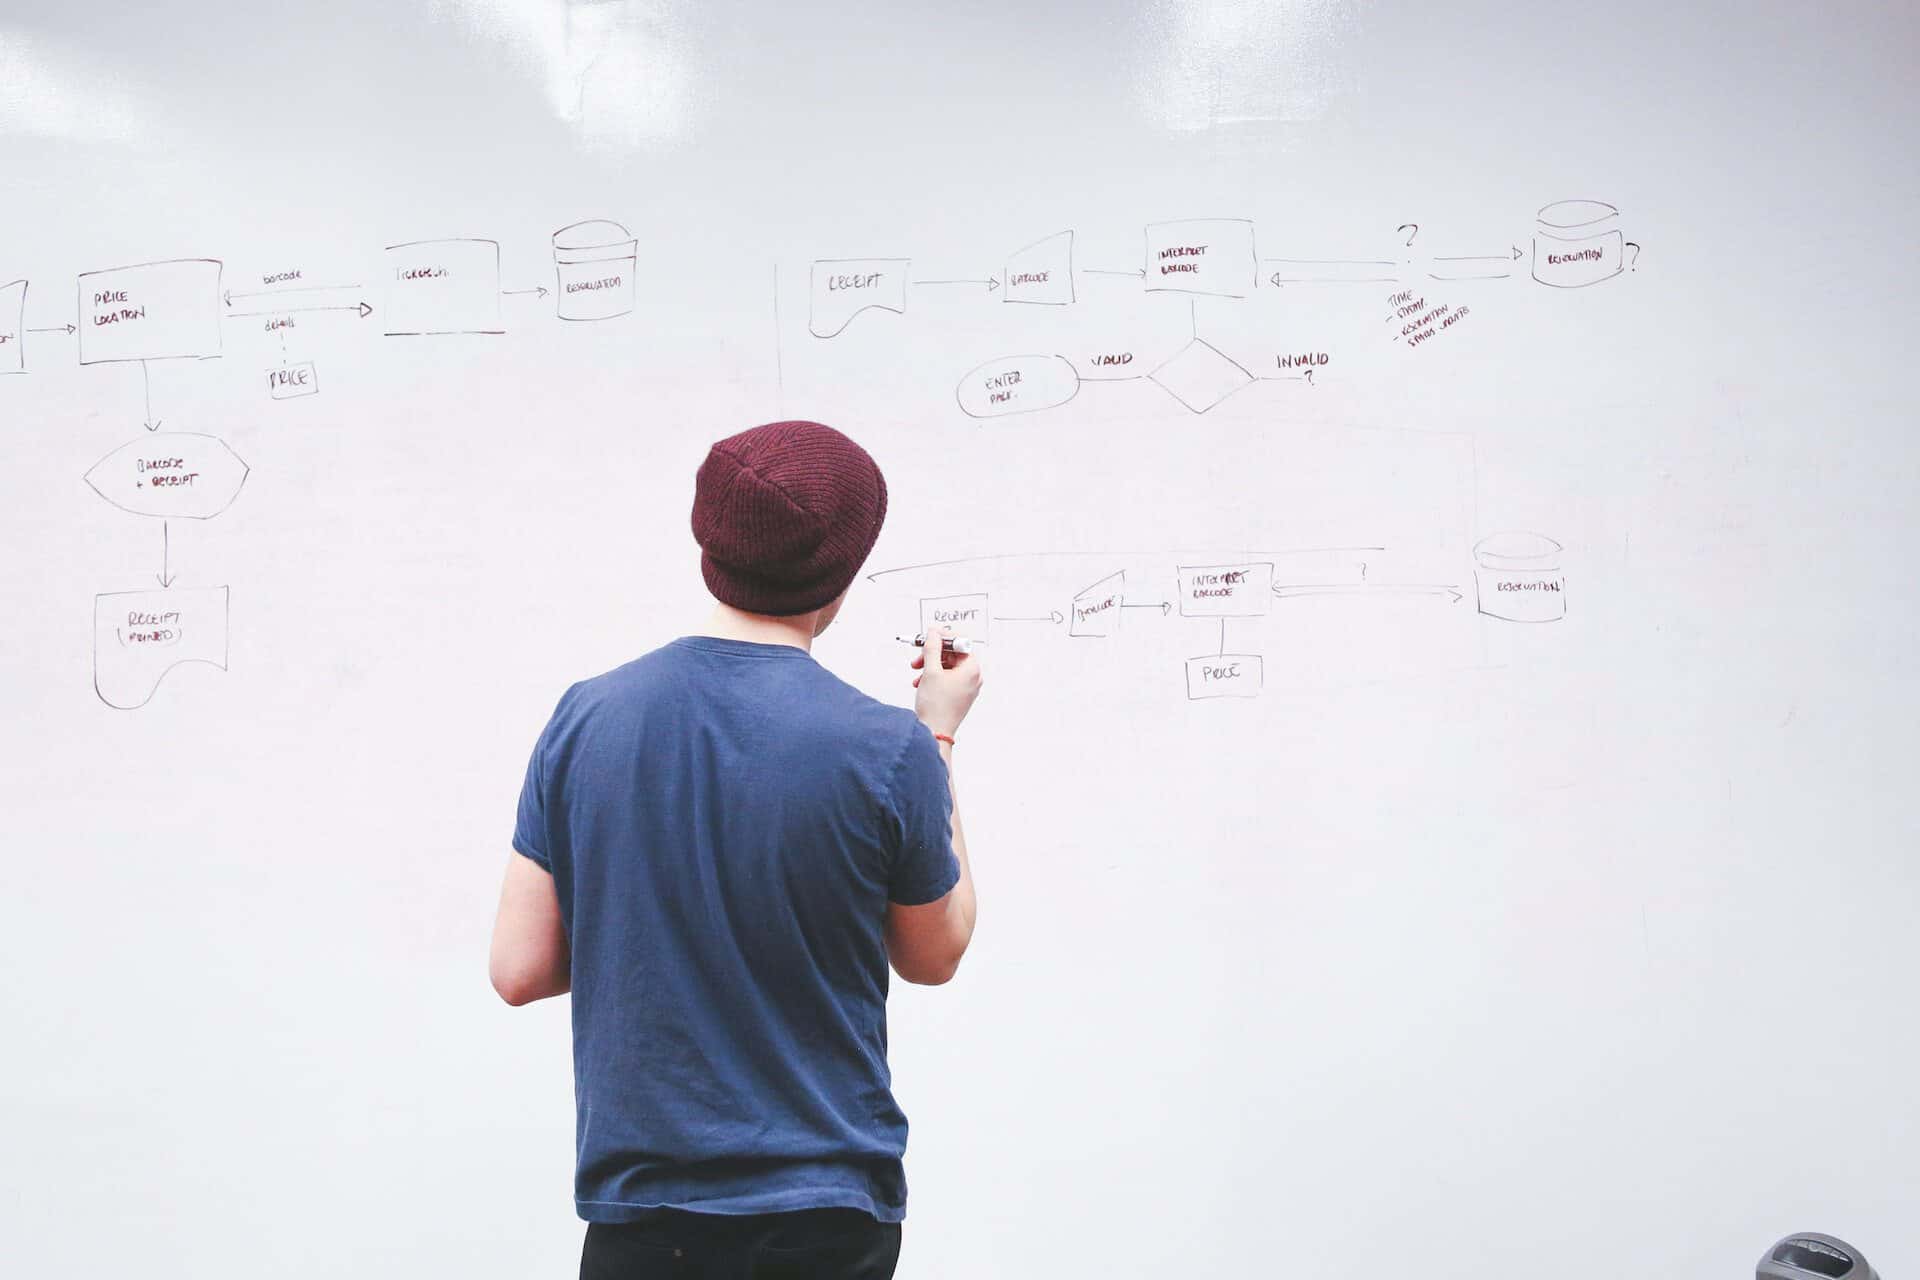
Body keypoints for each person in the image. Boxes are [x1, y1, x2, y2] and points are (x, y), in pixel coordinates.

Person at [488, 419, 982, 1279]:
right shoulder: (885, 748)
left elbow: (520, 968)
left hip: (642, 1217)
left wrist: (660, 916)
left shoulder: (586, 718)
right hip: (822, 1215)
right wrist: (935, 737)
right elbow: (932, 955)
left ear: (707, 541)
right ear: (845, 569)